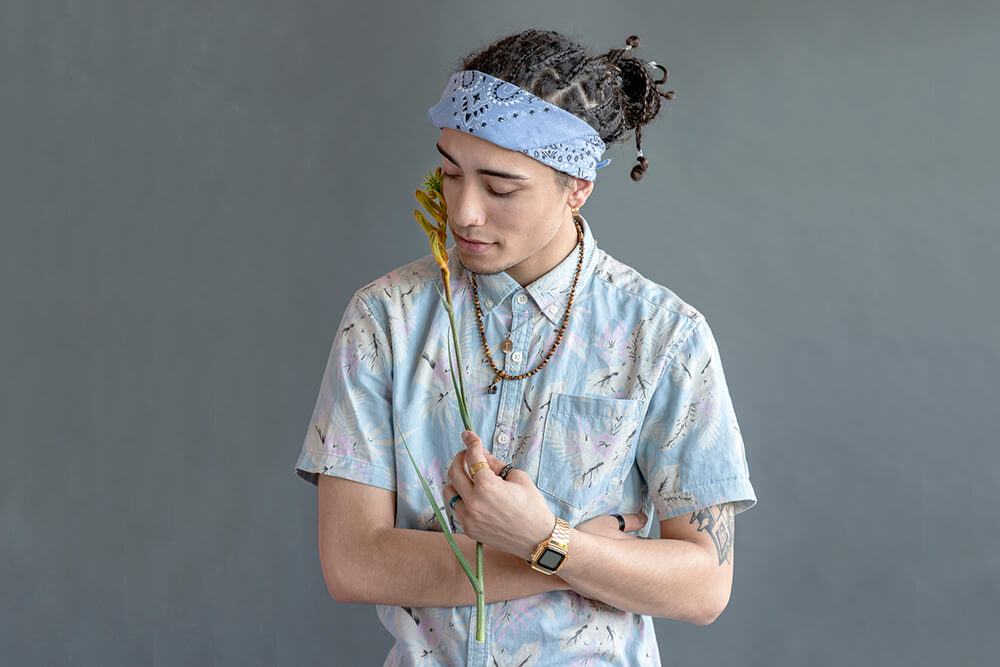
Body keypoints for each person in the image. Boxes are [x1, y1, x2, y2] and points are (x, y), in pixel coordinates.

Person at [294, 29, 756, 666]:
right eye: (450, 173)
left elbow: (704, 586)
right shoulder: (384, 320)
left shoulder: (664, 337)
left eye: (501, 187)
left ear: (577, 187)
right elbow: (352, 563)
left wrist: (546, 537)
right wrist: (569, 552)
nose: (465, 212)